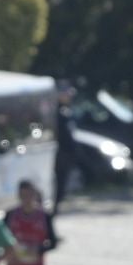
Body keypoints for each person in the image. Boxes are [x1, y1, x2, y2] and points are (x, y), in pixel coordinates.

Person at [52, 81, 76, 213]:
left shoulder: (65, 112)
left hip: (64, 157)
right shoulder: (59, 113)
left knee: (60, 192)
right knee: (57, 192)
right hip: (60, 157)